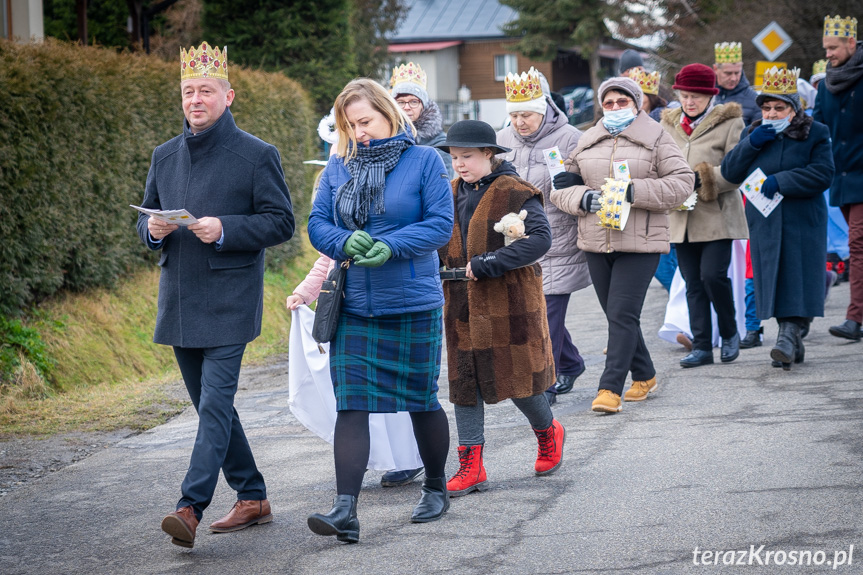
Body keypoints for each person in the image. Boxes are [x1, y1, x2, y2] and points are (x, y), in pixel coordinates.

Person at [136, 42, 295, 549]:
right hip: (180, 300)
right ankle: (253, 497)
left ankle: (190, 507)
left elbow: (281, 223)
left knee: (214, 406)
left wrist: (225, 228)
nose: (195, 99)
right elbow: (145, 221)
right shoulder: (163, 155)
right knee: (212, 408)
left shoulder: (257, 154)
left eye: (206, 90)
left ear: (229, 95)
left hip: (230, 299)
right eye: (188, 91)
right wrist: (155, 231)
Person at [305, 78, 453, 543]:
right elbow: (318, 224)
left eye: (365, 121)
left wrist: (389, 245)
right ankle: (344, 509)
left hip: (412, 302)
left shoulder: (425, 160)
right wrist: (343, 240)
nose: (359, 131)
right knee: (350, 405)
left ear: (390, 113)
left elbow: (440, 227)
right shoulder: (339, 165)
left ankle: (434, 485)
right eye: (350, 124)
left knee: (420, 400)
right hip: (355, 303)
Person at [434, 119, 564, 497]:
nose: (459, 164)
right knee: (464, 382)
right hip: (460, 303)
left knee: (519, 380)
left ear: (489, 154)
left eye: (468, 156)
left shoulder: (515, 191)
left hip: (509, 301)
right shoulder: (449, 192)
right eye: (455, 157)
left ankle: (548, 433)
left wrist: (491, 262)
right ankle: (471, 465)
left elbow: (540, 240)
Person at [551, 77, 693, 413]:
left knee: (621, 314)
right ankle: (644, 375)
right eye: (609, 103)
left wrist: (635, 191)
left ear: (637, 102)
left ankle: (609, 388)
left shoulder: (657, 137)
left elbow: (682, 182)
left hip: (640, 241)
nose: (615, 108)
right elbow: (560, 187)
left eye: (622, 102)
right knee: (619, 316)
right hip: (596, 240)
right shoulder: (588, 139)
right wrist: (583, 197)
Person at [722, 67, 834, 369]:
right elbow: (729, 172)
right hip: (766, 221)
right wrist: (752, 142)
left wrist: (782, 181)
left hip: (802, 220)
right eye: (767, 107)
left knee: (797, 276)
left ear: (793, 109)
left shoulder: (815, 132)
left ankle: (786, 336)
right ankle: (791, 337)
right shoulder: (753, 133)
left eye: (779, 107)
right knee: (773, 276)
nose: (772, 113)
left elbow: (823, 173)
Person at [496, 67, 589, 405]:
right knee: (525, 311)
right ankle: (571, 362)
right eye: (514, 114)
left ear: (544, 108)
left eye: (527, 114)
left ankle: (543, 385)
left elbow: (585, 184)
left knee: (544, 316)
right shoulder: (502, 140)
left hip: (557, 241)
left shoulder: (570, 138)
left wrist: (575, 185)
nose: (520, 121)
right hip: (515, 243)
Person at [660, 63, 748, 368]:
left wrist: (701, 179)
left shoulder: (730, 123)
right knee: (692, 281)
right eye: (685, 95)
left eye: (696, 96)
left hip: (717, 216)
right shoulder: (668, 124)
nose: (689, 102)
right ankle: (701, 346)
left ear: (711, 96)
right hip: (681, 218)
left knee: (713, 276)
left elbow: (737, 171)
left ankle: (729, 331)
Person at [814, 15, 863, 342]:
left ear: (850, 43)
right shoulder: (827, 85)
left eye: (833, 48)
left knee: (857, 244)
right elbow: (816, 129)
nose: (828, 54)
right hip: (842, 180)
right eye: (825, 48)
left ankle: (854, 318)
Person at [390, 61, 454, 178]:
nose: (407, 107)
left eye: (414, 101)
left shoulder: (439, 142)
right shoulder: (386, 135)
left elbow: (442, 181)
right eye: (401, 102)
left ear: (423, 106)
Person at [713, 42, 760, 126]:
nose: (734, 78)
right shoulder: (704, 95)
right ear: (716, 69)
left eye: (737, 73)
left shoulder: (754, 100)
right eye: (728, 73)